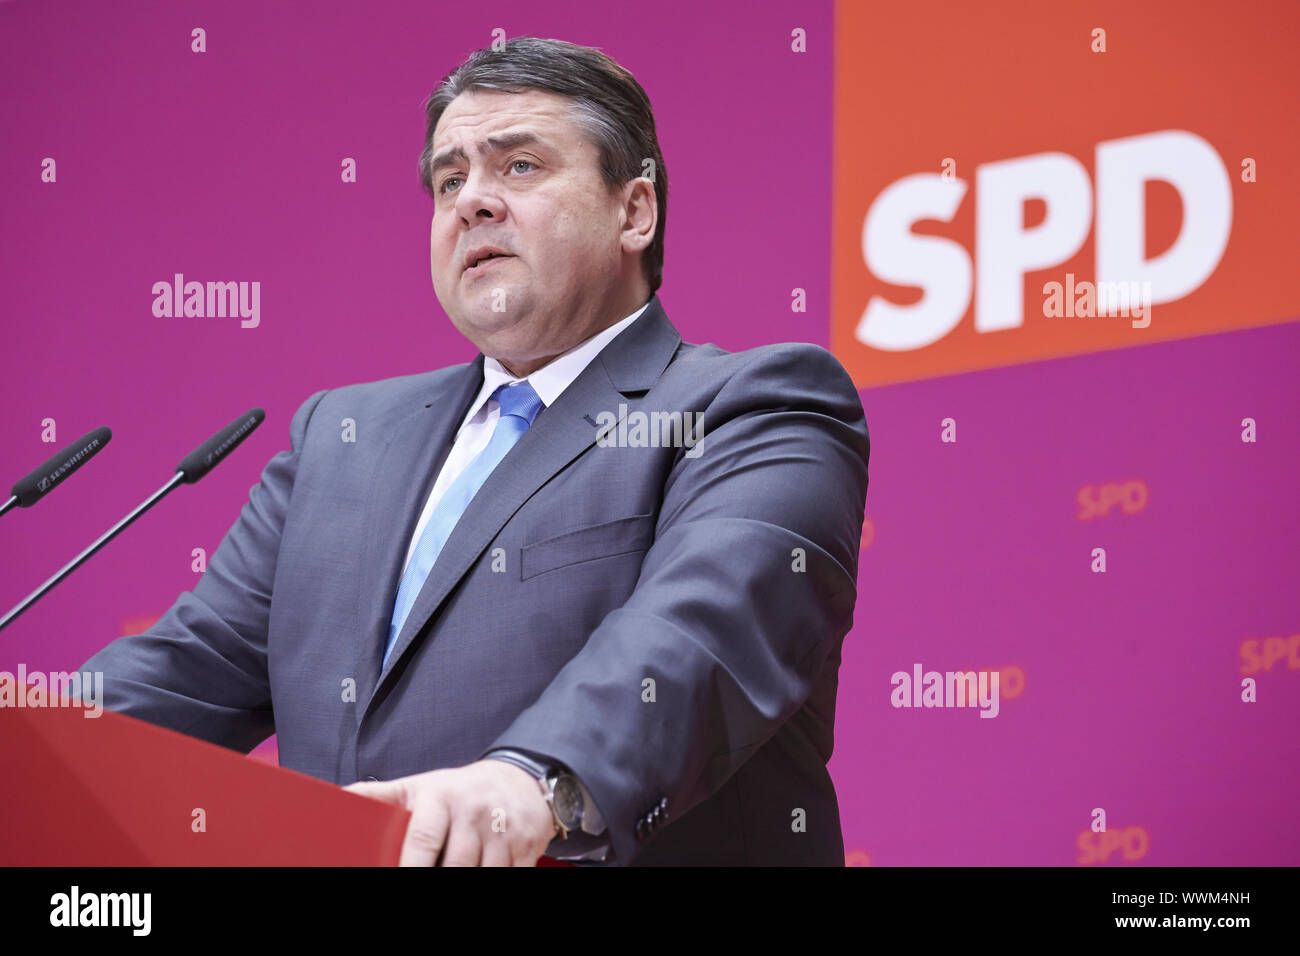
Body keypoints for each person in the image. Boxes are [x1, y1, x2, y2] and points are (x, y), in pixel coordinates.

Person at [79, 36, 870, 866]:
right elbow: (192, 668)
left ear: (634, 211)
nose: (471, 203)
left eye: (519, 167)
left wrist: (534, 782)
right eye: (450, 180)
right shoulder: (338, 441)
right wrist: (39, 730)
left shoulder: (758, 405)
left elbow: (700, 636)